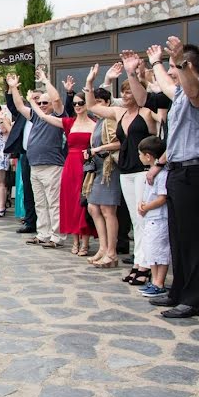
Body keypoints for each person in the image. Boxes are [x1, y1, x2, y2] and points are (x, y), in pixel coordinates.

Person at [129, 40, 199, 318]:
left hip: (195, 171)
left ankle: (195, 300)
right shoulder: (177, 93)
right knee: (178, 237)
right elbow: (144, 99)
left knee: (193, 238)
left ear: (187, 66)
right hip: (177, 171)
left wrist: (173, 61)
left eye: (175, 67)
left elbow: (193, 91)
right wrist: (133, 73)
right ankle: (179, 291)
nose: (170, 72)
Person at [91, 58, 158, 283]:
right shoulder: (119, 113)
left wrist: (144, 76)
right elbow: (93, 106)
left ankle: (145, 264)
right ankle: (140, 261)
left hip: (143, 170)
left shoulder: (148, 113)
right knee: (133, 218)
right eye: (124, 92)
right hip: (126, 170)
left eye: (130, 92)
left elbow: (163, 118)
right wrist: (98, 82)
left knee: (143, 217)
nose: (127, 96)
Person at [27, 89, 97, 254]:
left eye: (81, 103)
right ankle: (74, 240)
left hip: (84, 165)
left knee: (81, 204)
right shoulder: (69, 122)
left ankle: (84, 242)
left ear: (87, 104)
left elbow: (57, 99)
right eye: (75, 104)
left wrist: (45, 80)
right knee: (69, 203)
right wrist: (31, 101)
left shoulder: (94, 124)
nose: (78, 106)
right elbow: (44, 117)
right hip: (70, 165)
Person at [7, 70, 67, 249]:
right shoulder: (35, 117)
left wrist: (45, 81)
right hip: (35, 165)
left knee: (53, 202)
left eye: (44, 103)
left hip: (52, 165)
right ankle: (43, 233)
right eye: (39, 103)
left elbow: (56, 100)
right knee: (40, 202)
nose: (41, 105)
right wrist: (13, 88)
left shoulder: (57, 116)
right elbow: (19, 106)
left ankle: (57, 236)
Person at [82, 78, 121, 266]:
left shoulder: (111, 119)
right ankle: (103, 248)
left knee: (107, 209)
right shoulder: (99, 121)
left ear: (106, 103)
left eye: (99, 102)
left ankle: (111, 252)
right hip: (97, 168)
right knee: (93, 207)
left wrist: (98, 149)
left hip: (109, 167)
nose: (95, 106)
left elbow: (120, 142)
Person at [136, 136, 171, 297]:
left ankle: (159, 282)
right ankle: (154, 280)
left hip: (159, 218)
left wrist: (147, 207)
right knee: (151, 249)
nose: (139, 157)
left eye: (140, 154)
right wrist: (142, 205)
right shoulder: (149, 174)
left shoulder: (162, 174)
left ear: (148, 156)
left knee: (160, 250)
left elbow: (162, 197)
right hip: (150, 217)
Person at [5, 86, 40, 234]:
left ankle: (45, 223)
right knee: (28, 189)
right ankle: (30, 222)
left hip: (41, 156)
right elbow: (13, 106)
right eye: (34, 98)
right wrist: (11, 88)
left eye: (39, 99)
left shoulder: (47, 116)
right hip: (25, 155)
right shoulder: (25, 114)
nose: (37, 102)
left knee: (42, 192)